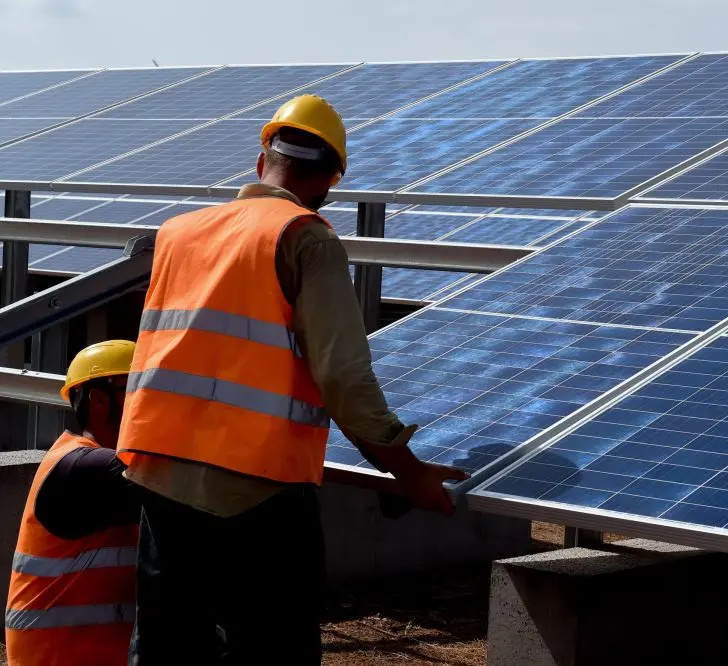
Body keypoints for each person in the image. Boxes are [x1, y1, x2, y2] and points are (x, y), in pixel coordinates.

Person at [116, 93, 469, 665]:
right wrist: (408, 472)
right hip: (259, 493)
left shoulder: (177, 232)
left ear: (262, 161)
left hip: (162, 478)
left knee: (168, 650)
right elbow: (343, 377)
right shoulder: (307, 238)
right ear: (329, 180)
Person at [5, 340, 143, 666]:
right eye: (136, 390)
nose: (149, 401)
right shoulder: (83, 468)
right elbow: (181, 484)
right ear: (99, 400)